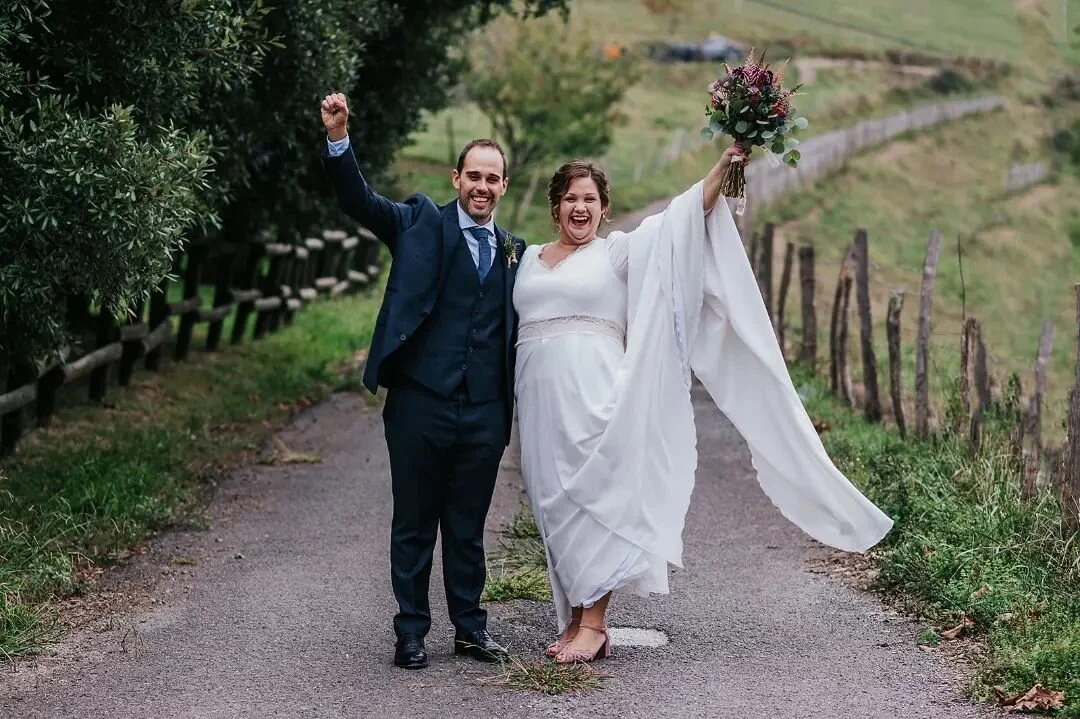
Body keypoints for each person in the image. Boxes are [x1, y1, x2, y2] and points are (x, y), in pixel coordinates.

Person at [511, 145, 894, 664]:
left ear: (604, 207)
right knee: (553, 504)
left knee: (595, 502)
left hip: (598, 398)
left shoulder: (617, 253)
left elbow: (681, 222)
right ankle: (578, 618)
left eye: (591, 199)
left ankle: (595, 623)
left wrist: (724, 163)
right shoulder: (528, 259)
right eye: (571, 199)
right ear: (554, 207)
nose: (581, 208)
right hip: (538, 404)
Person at [320, 93, 526, 670]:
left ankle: (469, 629)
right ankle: (411, 630)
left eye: (494, 178)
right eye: (474, 176)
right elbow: (358, 200)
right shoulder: (416, 222)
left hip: (485, 410)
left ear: (504, 187)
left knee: (467, 525)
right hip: (419, 403)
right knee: (414, 520)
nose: (482, 187)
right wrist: (339, 138)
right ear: (456, 178)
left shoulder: (516, 252)